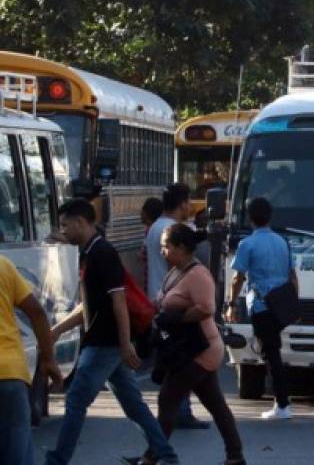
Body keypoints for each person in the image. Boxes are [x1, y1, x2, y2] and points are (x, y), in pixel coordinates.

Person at [46, 199, 178, 465]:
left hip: (104, 344)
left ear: (81, 222)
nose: (63, 232)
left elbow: (119, 301)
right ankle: (166, 455)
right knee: (133, 405)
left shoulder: (102, 253)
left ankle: (57, 460)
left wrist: (124, 343)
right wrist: (57, 329)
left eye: (65, 226)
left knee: (75, 402)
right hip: (107, 344)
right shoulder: (88, 252)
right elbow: (89, 304)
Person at [128, 224, 244, 465]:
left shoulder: (198, 274)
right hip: (185, 348)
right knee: (215, 404)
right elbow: (163, 301)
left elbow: (206, 309)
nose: (162, 251)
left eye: (166, 246)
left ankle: (152, 456)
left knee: (168, 398)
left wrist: (176, 318)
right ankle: (235, 456)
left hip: (200, 348)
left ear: (181, 248)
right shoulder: (176, 271)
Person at [225, 197, 295, 420]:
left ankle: (282, 404)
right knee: (273, 349)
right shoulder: (282, 241)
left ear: (250, 218)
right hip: (281, 303)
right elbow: (292, 275)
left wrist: (231, 303)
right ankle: (282, 401)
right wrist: (294, 303)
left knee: (270, 352)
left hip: (261, 304)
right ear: (270, 216)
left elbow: (238, 277)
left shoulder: (248, 244)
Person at [144, 183, 206, 429]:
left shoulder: (155, 227)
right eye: (189, 201)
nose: (190, 207)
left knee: (175, 359)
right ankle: (179, 412)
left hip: (161, 299)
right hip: (174, 302)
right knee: (182, 359)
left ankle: (178, 411)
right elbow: (183, 264)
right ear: (182, 203)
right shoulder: (171, 230)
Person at [1, 255, 62, 464]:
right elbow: (37, 312)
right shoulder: (3, 265)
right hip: (9, 374)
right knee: (17, 452)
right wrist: (48, 359)